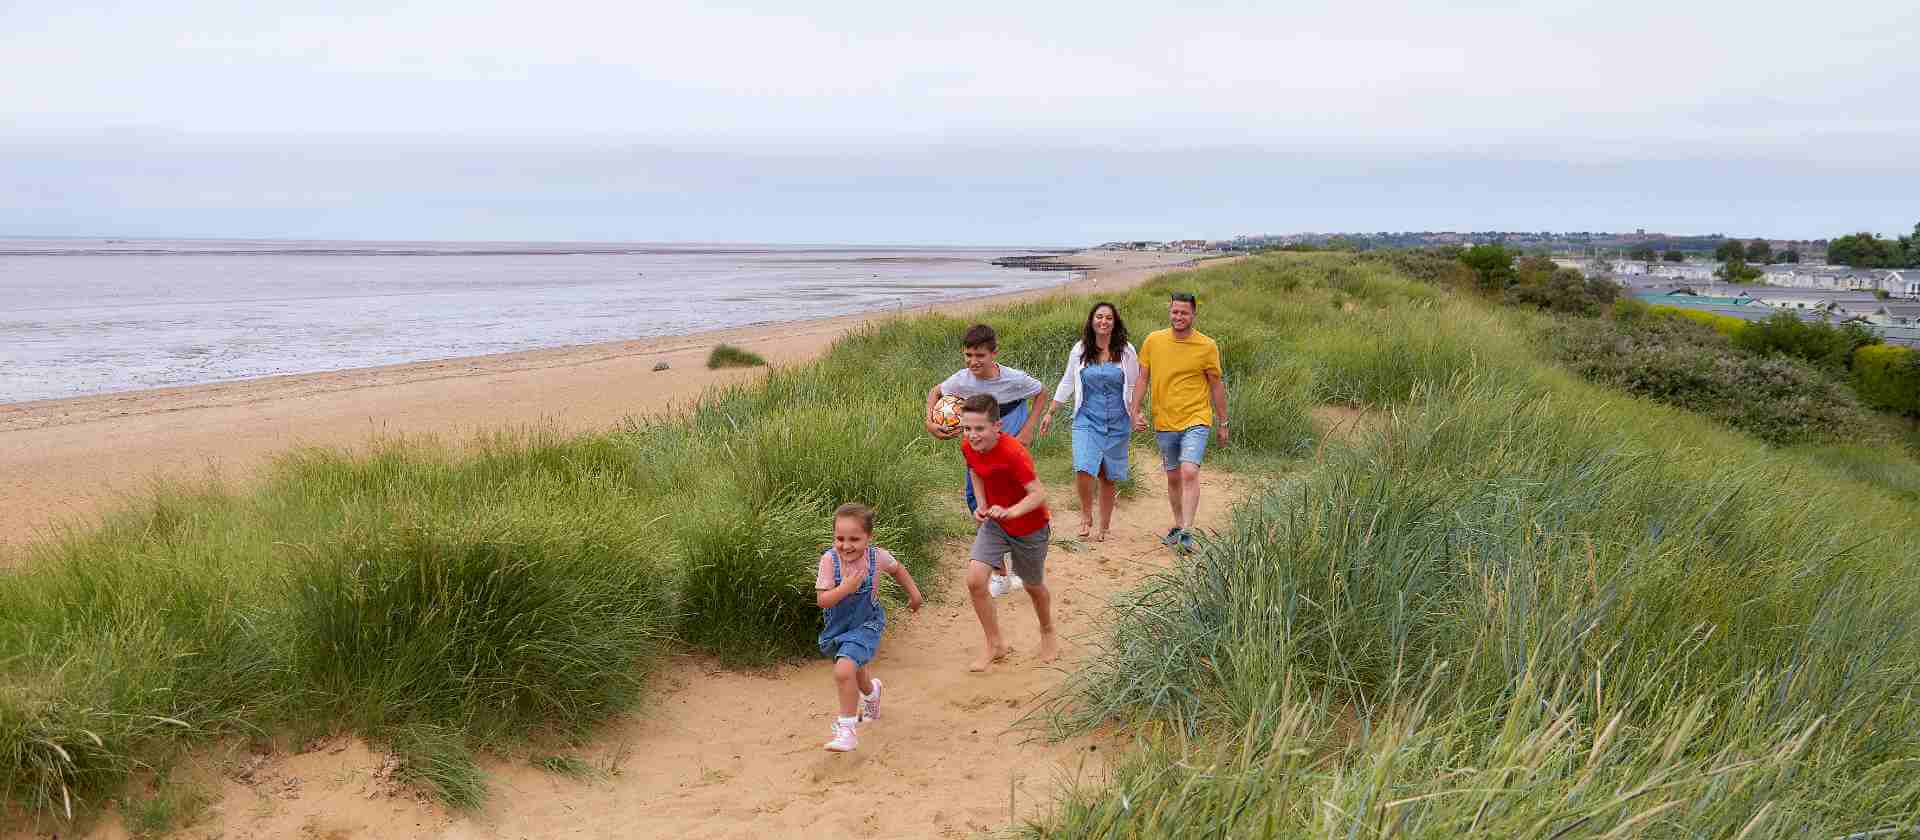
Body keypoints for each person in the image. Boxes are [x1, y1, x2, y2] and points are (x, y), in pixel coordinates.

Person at [956, 394, 1057, 671]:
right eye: (967, 428)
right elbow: (974, 470)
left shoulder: (1014, 453)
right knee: (976, 580)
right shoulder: (968, 446)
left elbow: (1038, 494)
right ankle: (995, 644)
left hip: (1030, 526)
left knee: (1033, 586)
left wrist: (1011, 512)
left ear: (997, 425)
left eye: (979, 428)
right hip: (996, 523)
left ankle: (1047, 630)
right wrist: (982, 504)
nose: (972, 435)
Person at [815, 502, 924, 752]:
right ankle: (872, 693)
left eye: (854, 538)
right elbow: (823, 600)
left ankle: (847, 730)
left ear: (868, 538)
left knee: (843, 671)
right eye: (839, 538)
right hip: (839, 628)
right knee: (859, 676)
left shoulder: (877, 557)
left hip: (868, 624)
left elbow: (898, 570)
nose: (846, 545)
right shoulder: (829, 561)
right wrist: (845, 589)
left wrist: (914, 593)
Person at [1128, 292, 1228, 553]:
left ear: (1194, 314)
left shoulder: (1207, 345)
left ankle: (1187, 530)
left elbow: (1216, 385)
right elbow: (1142, 379)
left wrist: (1223, 422)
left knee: (1189, 471)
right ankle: (1178, 523)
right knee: (1173, 477)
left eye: (1184, 312)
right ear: (1169, 311)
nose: (1179, 317)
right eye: (1175, 311)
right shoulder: (1154, 340)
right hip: (1165, 419)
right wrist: (1135, 411)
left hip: (1196, 417)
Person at [1036, 302, 1140, 542]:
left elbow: (1134, 386)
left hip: (1117, 420)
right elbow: (1067, 382)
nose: (1104, 322)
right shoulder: (1080, 349)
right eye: (1099, 317)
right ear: (1092, 321)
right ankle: (1086, 515)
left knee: (1107, 475)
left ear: (1115, 322)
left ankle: (1104, 526)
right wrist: (1051, 411)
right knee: (1084, 467)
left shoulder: (1126, 351)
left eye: (1109, 318)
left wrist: (1136, 414)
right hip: (1087, 418)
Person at [924, 324, 1051, 513]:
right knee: (974, 491)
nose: (973, 361)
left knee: (1007, 484)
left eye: (980, 356)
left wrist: (1028, 429)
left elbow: (1041, 392)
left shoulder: (1014, 379)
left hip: (1010, 425)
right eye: (968, 355)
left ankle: (1016, 526)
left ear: (994, 354)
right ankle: (985, 529)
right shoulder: (961, 380)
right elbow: (936, 392)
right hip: (978, 434)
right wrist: (930, 422)